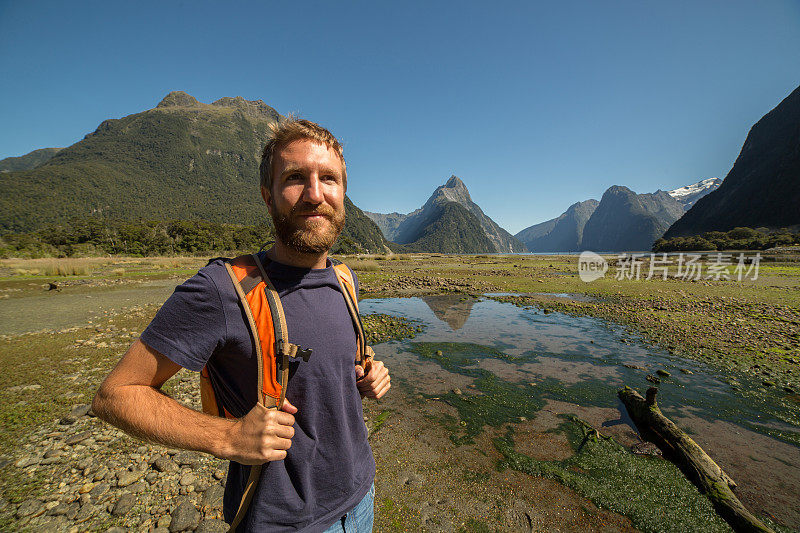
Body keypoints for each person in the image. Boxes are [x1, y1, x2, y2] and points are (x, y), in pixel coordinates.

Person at [92, 118, 391, 532]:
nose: (315, 193)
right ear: (268, 198)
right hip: (285, 523)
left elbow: (335, 365)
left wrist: (370, 370)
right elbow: (116, 395)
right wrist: (228, 438)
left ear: (343, 194)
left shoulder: (345, 279)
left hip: (361, 499)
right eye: (295, 178)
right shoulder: (221, 289)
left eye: (329, 179)